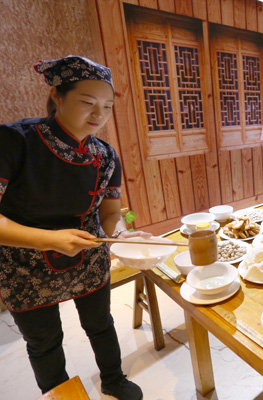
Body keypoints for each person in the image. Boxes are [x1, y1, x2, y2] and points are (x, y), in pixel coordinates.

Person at [0, 56, 146, 399]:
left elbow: (111, 213)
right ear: (57, 95)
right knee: (44, 342)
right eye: (87, 102)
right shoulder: (14, 140)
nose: (99, 114)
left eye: (107, 106)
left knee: (101, 324)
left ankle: (113, 379)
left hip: (88, 258)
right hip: (24, 266)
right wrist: (48, 239)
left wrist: (122, 235)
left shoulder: (106, 155)